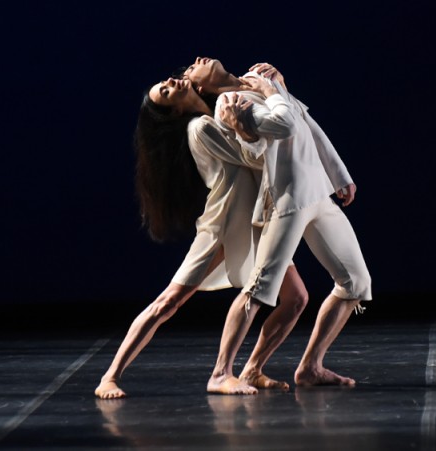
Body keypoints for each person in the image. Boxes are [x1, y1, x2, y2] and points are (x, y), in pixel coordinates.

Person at [95, 71, 312, 399]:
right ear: (176, 111)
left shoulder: (222, 110)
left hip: (254, 220)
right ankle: (112, 377)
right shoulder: (200, 127)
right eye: (166, 93)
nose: (171, 83)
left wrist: (272, 90)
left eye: (165, 82)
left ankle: (252, 368)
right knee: (168, 302)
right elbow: (254, 157)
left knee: (296, 299)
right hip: (223, 226)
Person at [183, 57, 372, 390]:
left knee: (355, 283)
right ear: (201, 86)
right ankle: (220, 373)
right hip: (286, 199)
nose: (196, 60)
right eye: (190, 68)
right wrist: (271, 92)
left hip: (318, 194)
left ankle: (309, 367)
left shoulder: (259, 75)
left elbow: (305, 122)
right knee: (260, 289)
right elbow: (282, 127)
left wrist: (339, 173)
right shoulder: (227, 104)